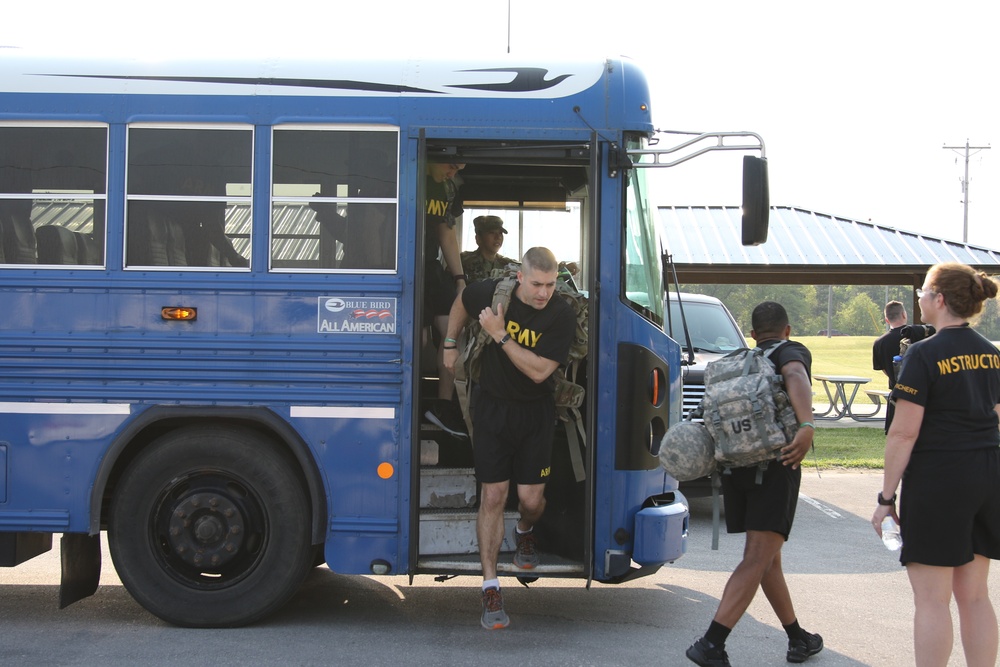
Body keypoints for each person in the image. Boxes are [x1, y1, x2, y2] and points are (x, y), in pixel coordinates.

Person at [872, 263, 1000, 667]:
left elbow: (903, 434)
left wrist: (885, 498)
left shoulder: (923, 354)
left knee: (931, 600)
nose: (919, 298)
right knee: (975, 594)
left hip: (940, 480)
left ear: (940, 299)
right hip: (987, 474)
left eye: (924, 291)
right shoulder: (992, 354)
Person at [442, 247, 574, 630]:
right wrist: (450, 342)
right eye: (536, 284)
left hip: (534, 413)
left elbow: (539, 371)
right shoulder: (494, 293)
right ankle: (490, 584)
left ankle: (525, 530)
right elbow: (462, 302)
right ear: (521, 277)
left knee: (532, 501)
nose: (543, 293)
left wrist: (499, 336)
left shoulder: (560, 314)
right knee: (494, 496)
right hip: (492, 410)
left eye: (550, 285)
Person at [686, 302, 823, 666]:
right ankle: (712, 643)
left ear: (753, 334)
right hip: (776, 464)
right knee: (757, 558)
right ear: (787, 329)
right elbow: (795, 374)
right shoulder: (790, 352)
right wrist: (807, 426)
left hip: (736, 467)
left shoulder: (742, 359)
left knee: (768, 559)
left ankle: (797, 638)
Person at [422, 160, 468, 437]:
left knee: (453, 330)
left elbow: (446, 234)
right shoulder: (404, 175)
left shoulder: (446, 189)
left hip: (430, 267)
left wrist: (459, 279)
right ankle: (411, 405)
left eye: (459, 169)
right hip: (401, 265)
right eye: (451, 165)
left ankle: (443, 406)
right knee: (420, 340)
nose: (453, 173)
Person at [872, 300, 908, 431]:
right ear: (904, 314)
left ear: (887, 320)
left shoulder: (879, 343)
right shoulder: (917, 338)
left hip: (896, 393)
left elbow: (882, 367)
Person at [460, 215, 516, 282]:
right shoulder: (463, 262)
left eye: (500, 233)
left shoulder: (508, 265)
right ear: (478, 238)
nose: (498, 237)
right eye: (491, 233)